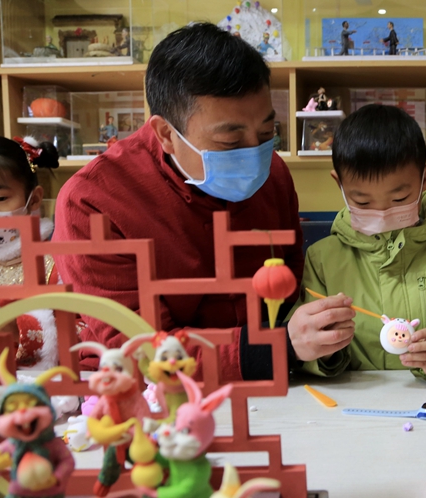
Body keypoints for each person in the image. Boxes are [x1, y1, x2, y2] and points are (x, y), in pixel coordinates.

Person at [53, 23, 311, 384]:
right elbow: (144, 349)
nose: (255, 155)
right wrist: (276, 347)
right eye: (230, 142)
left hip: (278, 379)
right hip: (146, 394)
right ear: (166, 135)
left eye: (267, 133)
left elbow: (291, 277)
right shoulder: (93, 202)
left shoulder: (274, 174)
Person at [288, 105, 426, 381]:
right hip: (354, 408)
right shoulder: (323, 259)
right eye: (362, 202)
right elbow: (306, 341)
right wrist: (322, 350)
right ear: (340, 185)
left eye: (399, 199)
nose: (383, 213)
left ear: (425, 178)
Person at [0, 136, 60, 370]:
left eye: (0, 198)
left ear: (33, 199)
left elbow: (87, 331)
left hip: (36, 391)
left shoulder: (56, 263)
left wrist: (18, 330)